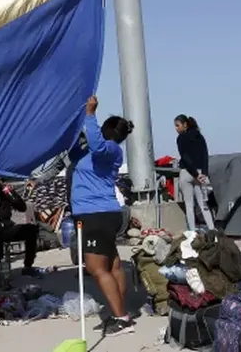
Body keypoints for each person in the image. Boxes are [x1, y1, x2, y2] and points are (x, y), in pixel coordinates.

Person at [72, 96, 135, 337]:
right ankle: (119, 311)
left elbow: (97, 144)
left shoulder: (110, 149)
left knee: (96, 268)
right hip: (103, 213)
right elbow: (74, 151)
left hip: (95, 215)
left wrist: (90, 115)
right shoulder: (94, 154)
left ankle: (122, 319)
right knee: (113, 264)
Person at [174, 114, 213, 231]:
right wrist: (203, 173)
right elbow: (205, 155)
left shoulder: (181, 138)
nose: (176, 129)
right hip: (200, 173)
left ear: (185, 124)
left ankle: (192, 232)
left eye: (177, 125)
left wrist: (195, 174)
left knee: (189, 205)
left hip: (187, 173)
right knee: (203, 204)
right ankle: (212, 229)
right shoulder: (199, 136)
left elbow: (185, 158)